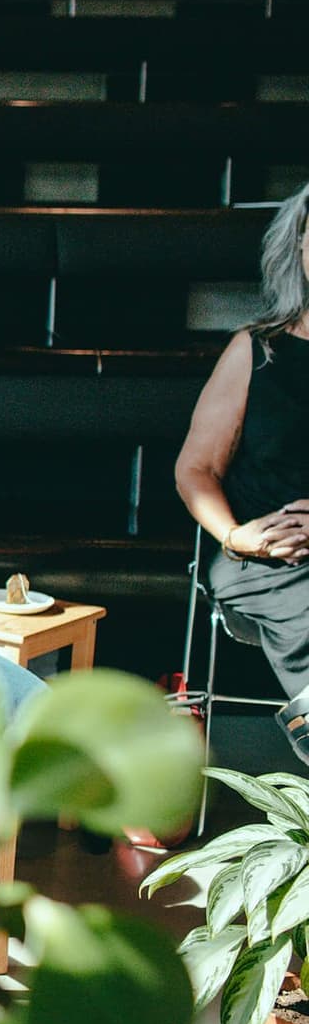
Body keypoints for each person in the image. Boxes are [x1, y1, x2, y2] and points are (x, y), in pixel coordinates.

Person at [175, 181, 309, 761]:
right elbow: (196, 469)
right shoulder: (257, 351)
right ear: (299, 247)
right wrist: (235, 536)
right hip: (262, 556)